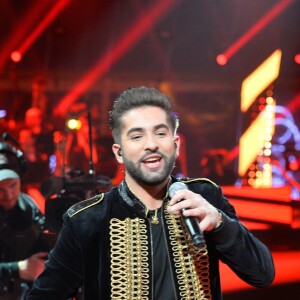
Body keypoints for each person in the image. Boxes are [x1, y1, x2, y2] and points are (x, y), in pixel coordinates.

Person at [26, 86, 275, 299]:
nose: (151, 144)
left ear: (175, 145)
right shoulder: (88, 218)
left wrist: (221, 223)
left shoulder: (204, 197)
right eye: (136, 136)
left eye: (160, 133)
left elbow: (262, 274)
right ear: (119, 152)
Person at [0, 141, 49, 299]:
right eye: (0, 188)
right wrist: (16, 269)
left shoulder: (30, 206)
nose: (7, 195)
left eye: (13, 185)